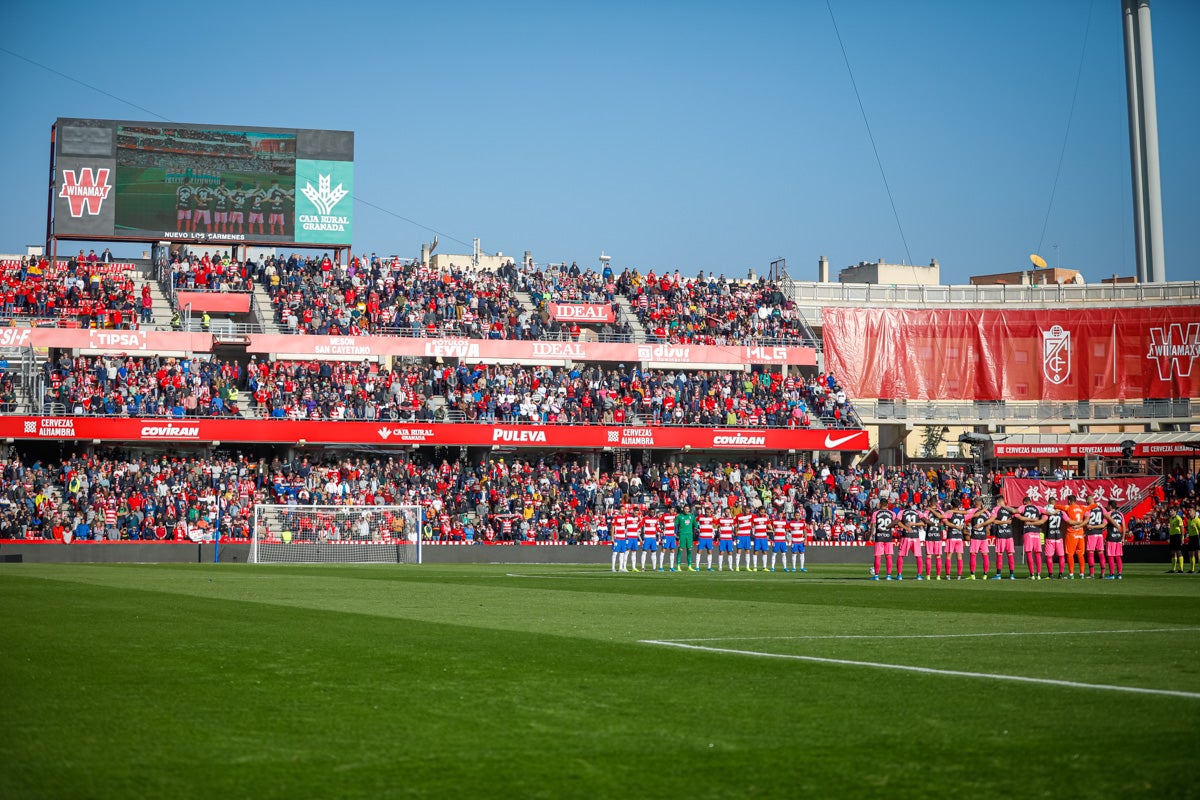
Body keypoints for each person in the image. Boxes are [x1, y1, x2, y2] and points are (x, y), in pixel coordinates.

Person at [1055, 494, 1093, 579]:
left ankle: (1071, 574)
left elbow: (1068, 520)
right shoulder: (1082, 507)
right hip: (1080, 534)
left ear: (1069, 501)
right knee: (1080, 554)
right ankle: (1082, 574)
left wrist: (1055, 507)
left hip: (1071, 533)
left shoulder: (1068, 508)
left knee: (1070, 554)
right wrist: (1081, 525)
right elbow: (1088, 517)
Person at [1016, 495, 1047, 580]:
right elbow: (1046, 513)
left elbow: (1016, 514)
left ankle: (1032, 574)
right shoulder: (1038, 508)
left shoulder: (1023, 507)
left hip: (1027, 531)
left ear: (1025, 502)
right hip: (1037, 532)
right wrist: (1036, 520)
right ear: (1031, 501)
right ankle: (1039, 574)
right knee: (1037, 554)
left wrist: (1025, 519)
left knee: (1029, 553)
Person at [935, 503, 967, 579]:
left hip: (951, 536)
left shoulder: (950, 513)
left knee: (949, 556)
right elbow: (968, 513)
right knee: (959, 556)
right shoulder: (963, 514)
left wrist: (948, 511)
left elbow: (942, 517)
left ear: (952, 506)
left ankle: (948, 575)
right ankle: (959, 576)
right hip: (959, 537)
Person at [965, 498, 992, 580]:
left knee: (973, 554)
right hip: (983, 536)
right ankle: (985, 575)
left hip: (975, 536)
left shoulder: (972, 510)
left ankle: (972, 575)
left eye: (974, 502)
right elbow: (991, 521)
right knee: (985, 555)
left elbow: (966, 518)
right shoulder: (986, 512)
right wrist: (988, 527)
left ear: (976, 503)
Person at [870, 503, 898, 580]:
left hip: (879, 537)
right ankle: (888, 576)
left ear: (880, 505)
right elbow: (895, 523)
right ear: (887, 505)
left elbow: (873, 524)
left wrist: (871, 535)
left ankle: (876, 576)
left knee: (878, 556)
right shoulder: (892, 513)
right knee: (888, 556)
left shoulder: (876, 513)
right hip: (888, 537)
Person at [898, 502, 925, 580]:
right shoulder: (917, 512)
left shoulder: (902, 512)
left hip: (906, 536)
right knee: (918, 556)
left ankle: (899, 575)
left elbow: (897, 522)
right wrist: (915, 524)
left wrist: (906, 527)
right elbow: (924, 522)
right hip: (915, 536)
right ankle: (919, 575)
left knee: (901, 555)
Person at [991, 501, 1018, 579]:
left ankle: (998, 575)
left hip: (1001, 535)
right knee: (1010, 555)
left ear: (999, 502)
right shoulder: (1010, 510)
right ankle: (1012, 575)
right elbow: (1017, 513)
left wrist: (1004, 522)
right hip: (1009, 535)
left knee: (999, 554)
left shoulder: (996, 509)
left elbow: (994, 521)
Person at [1084, 497, 1108, 578]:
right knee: (1101, 553)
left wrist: (1090, 526)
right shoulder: (1101, 508)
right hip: (1100, 534)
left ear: (1088, 501)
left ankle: (1092, 574)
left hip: (1091, 533)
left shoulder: (1088, 509)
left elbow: (1086, 521)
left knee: (1090, 553)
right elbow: (1105, 520)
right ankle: (1103, 573)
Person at [1043, 502, 1067, 579]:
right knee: (1061, 556)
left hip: (1050, 536)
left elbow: (1042, 521)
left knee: (1049, 557)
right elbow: (1068, 520)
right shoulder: (1061, 512)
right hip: (1059, 536)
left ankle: (1050, 574)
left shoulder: (1046, 511)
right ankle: (1060, 574)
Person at [1102, 505, 1127, 580]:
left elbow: (1104, 524)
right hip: (1119, 537)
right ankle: (1119, 574)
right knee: (1118, 556)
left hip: (1111, 537)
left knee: (1110, 556)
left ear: (1110, 506)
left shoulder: (1108, 514)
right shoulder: (1120, 514)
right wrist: (1123, 538)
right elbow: (1124, 527)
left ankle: (1111, 574)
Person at [923, 500, 945, 579]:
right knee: (938, 556)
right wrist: (940, 525)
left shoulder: (926, 512)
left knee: (929, 556)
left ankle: (928, 576)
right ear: (936, 504)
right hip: (938, 536)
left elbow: (925, 521)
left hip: (929, 535)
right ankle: (938, 576)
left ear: (929, 503)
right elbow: (944, 522)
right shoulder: (941, 512)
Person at [675, 506, 696, 572]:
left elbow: (696, 525)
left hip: (689, 535)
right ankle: (678, 566)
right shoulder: (679, 516)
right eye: (685, 509)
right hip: (682, 535)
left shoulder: (692, 516)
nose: (686, 510)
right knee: (680, 549)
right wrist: (675, 533)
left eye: (688, 509)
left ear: (689, 509)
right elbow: (675, 524)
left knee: (689, 550)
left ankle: (689, 566)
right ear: (683, 509)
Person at [1167, 507, 1185, 573]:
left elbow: (1182, 528)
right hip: (1172, 536)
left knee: (1178, 552)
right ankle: (1173, 569)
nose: (1170, 512)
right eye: (1170, 511)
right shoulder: (1171, 519)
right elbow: (1171, 529)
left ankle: (1181, 569)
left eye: (1171, 511)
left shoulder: (1178, 518)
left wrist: (1182, 538)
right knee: (1172, 552)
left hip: (1177, 536)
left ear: (1175, 511)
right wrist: (1169, 536)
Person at [1188, 508, 1200, 574]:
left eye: (1191, 511)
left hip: (1196, 537)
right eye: (1189, 511)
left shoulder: (1198, 520)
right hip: (1191, 537)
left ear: (1194, 513)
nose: (1189, 512)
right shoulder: (1189, 520)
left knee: (1198, 554)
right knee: (1191, 553)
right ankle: (1192, 569)